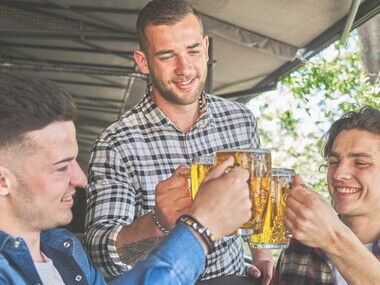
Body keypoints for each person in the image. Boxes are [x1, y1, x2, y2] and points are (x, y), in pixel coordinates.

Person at [0, 71, 253, 284]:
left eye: (76, 160)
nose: (81, 179)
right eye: (61, 167)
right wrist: (199, 229)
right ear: (3, 181)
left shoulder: (64, 248)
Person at [83, 0, 274, 283]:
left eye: (193, 51)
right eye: (167, 56)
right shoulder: (115, 143)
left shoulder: (240, 119)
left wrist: (263, 258)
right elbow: (98, 255)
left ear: (206, 48)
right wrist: (156, 222)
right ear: (143, 62)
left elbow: (259, 197)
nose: (185, 68)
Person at [275, 105, 380, 284]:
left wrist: (331, 236)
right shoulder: (300, 244)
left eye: (361, 163)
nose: (339, 174)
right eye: (334, 161)